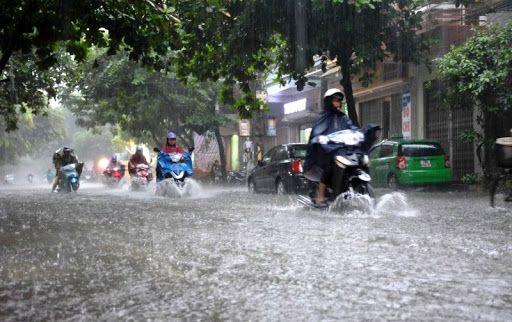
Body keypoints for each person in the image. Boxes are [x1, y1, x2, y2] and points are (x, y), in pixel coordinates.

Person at [303, 88, 357, 207]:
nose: (337, 103)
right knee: (330, 164)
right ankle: (321, 195)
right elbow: (317, 133)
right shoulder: (322, 118)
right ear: (328, 101)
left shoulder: (343, 117)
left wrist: (360, 135)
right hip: (324, 154)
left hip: (342, 152)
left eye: (339, 100)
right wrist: (323, 140)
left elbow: (352, 129)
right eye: (335, 100)